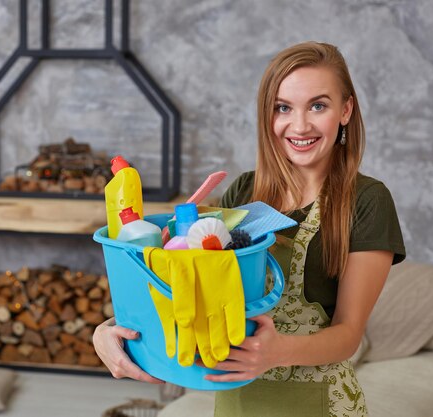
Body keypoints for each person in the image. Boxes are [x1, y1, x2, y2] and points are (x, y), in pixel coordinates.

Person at [93, 41, 405, 416]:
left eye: (318, 106)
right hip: (237, 401)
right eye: (283, 108)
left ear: (346, 110)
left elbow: (348, 335)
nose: (300, 125)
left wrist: (274, 352)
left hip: (321, 404)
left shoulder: (367, 200)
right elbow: (191, 290)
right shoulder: (244, 191)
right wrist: (109, 331)